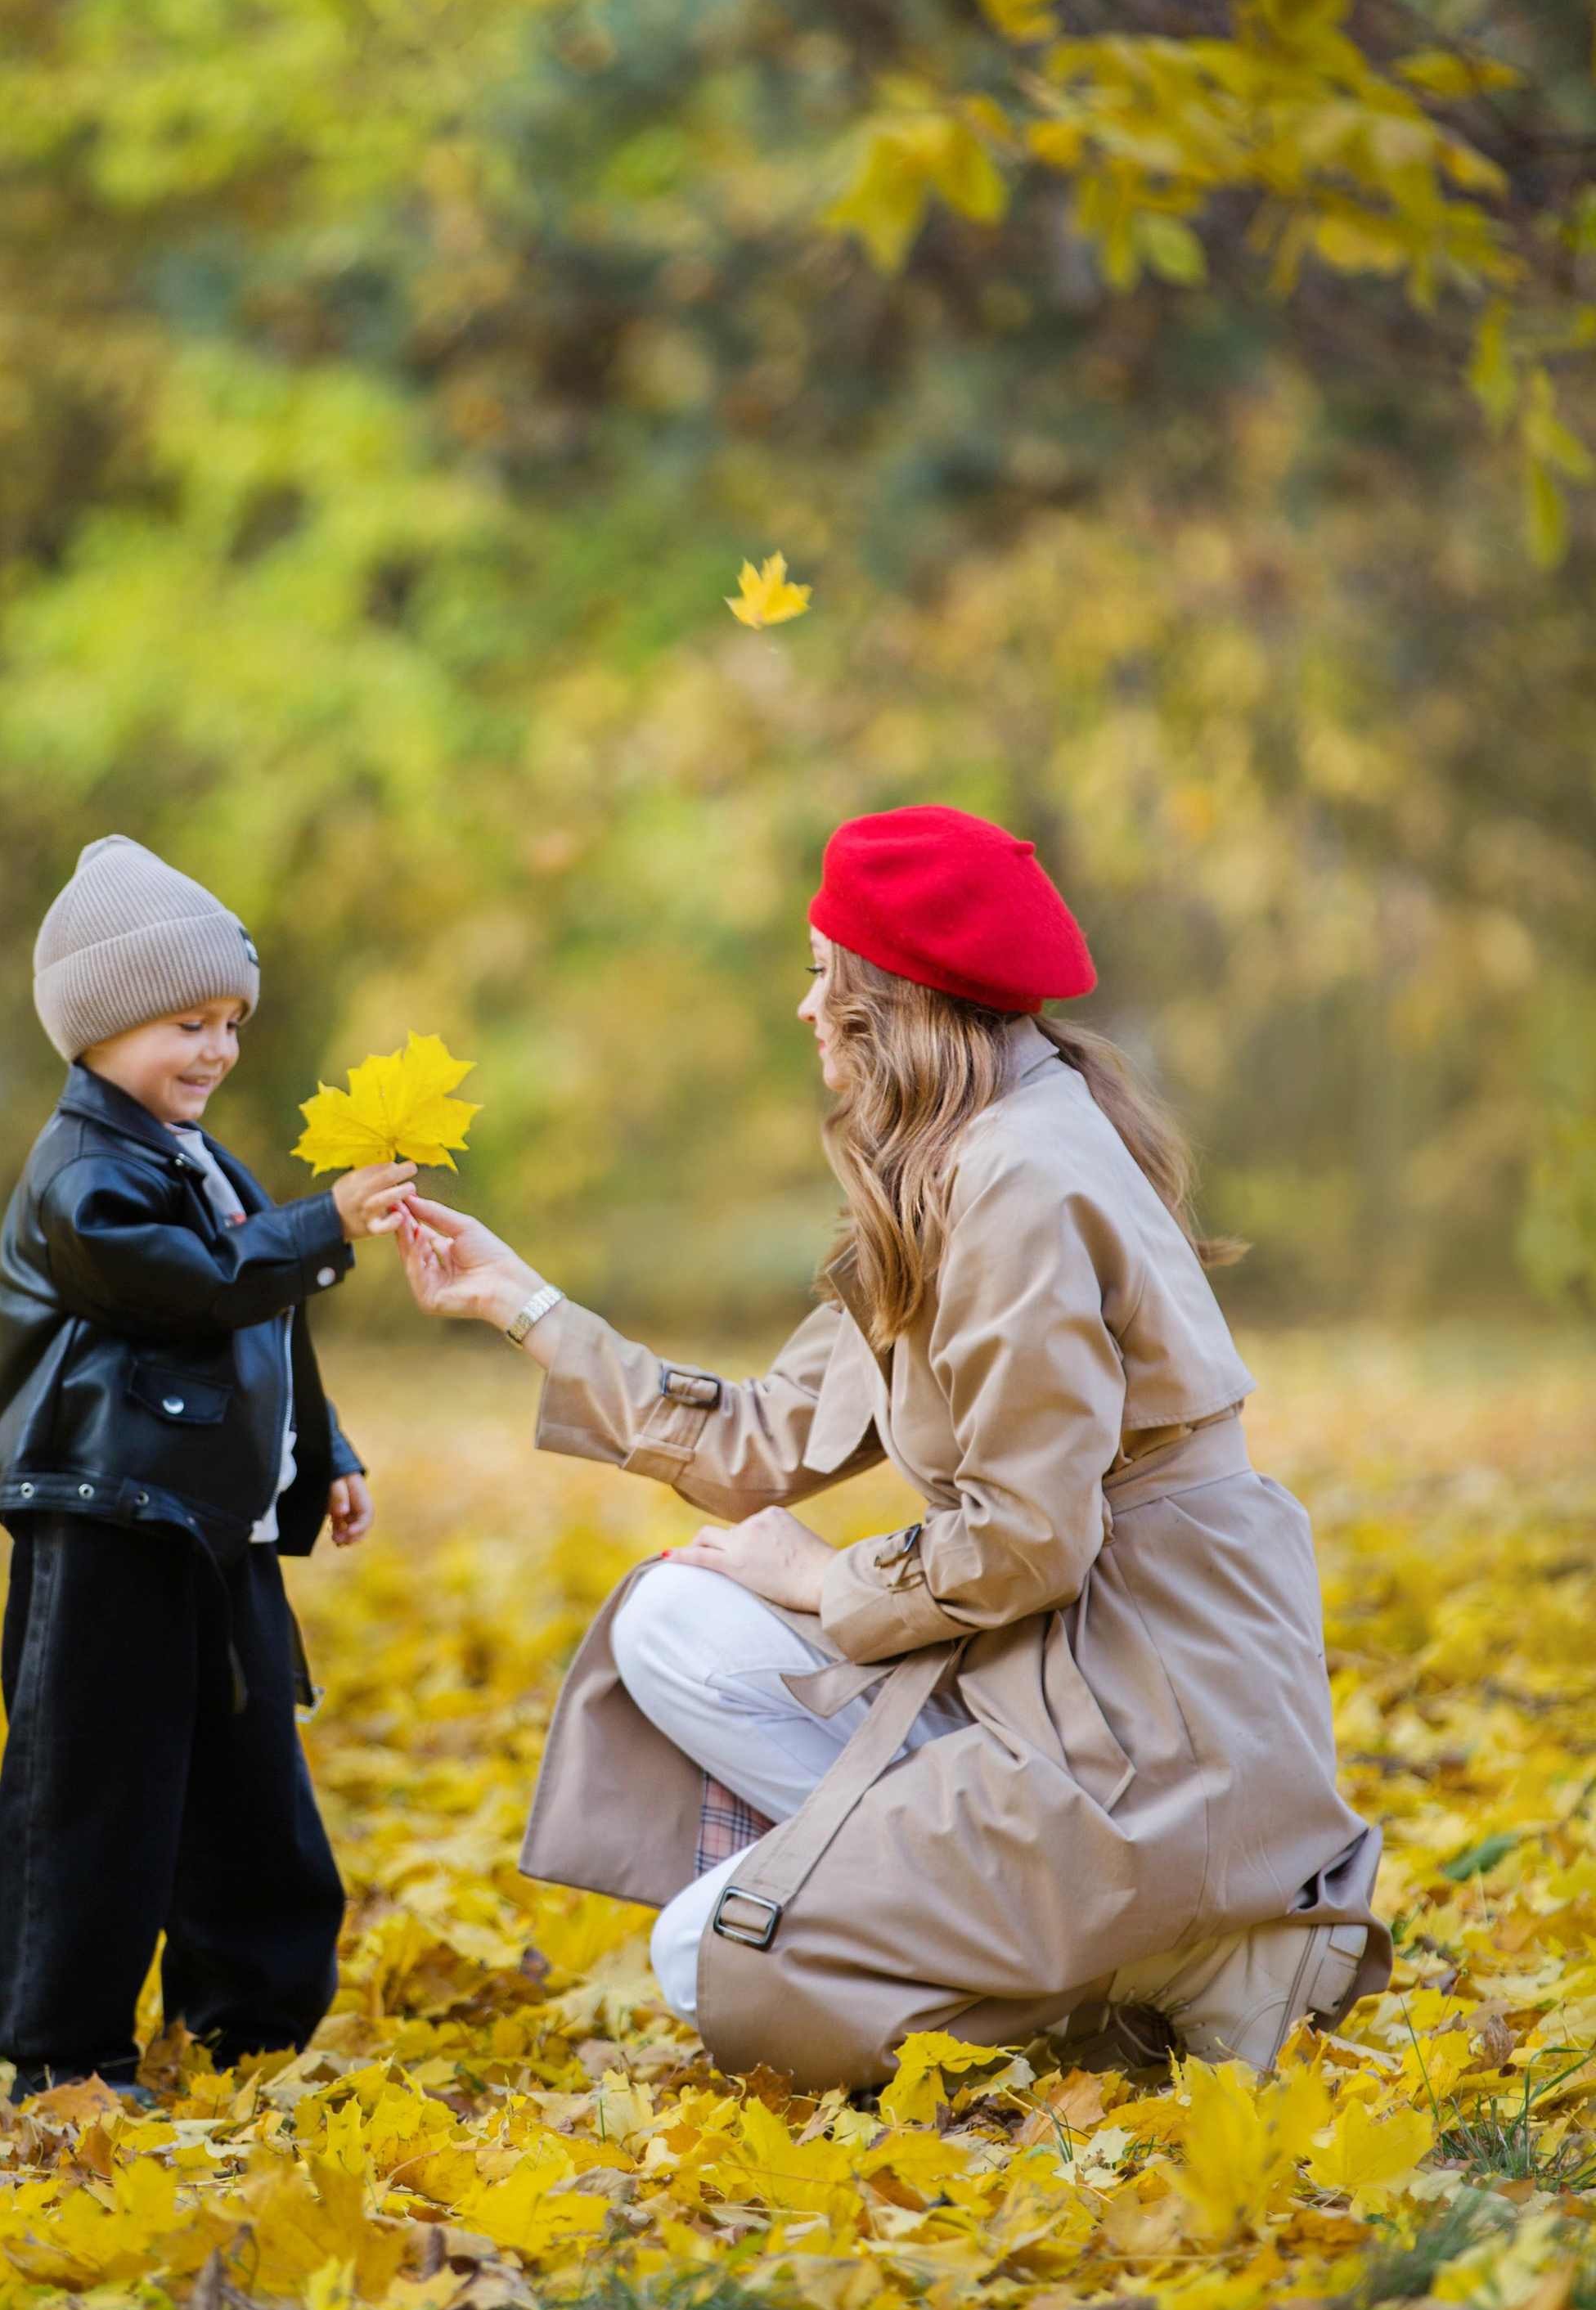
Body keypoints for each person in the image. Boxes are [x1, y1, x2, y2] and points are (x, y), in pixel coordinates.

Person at [396, 805, 1387, 2090]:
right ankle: (1089, 1939)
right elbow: (763, 1436)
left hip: (1144, 1729)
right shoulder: (960, 1161)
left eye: (826, 979)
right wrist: (524, 1303)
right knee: (669, 1621)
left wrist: (822, 1578)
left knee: (714, 1949)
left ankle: (1176, 1950)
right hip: (1040, 1677)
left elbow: (1034, 1538)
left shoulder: (1021, 1181)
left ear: (895, 1003)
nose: (805, 1010)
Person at [0, 836, 412, 2097]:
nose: (215, 1050)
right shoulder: (82, 1174)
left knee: (249, 1773)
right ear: (98, 1029)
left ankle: (249, 2023)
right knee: (95, 1787)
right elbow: (192, 1287)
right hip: (107, 1517)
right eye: (185, 1022)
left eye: (228, 1023)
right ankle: (63, 2051)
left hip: (214, 1521)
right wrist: (325, 1224)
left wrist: (318, 1450)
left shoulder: (205, 1161)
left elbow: (266, 1318)